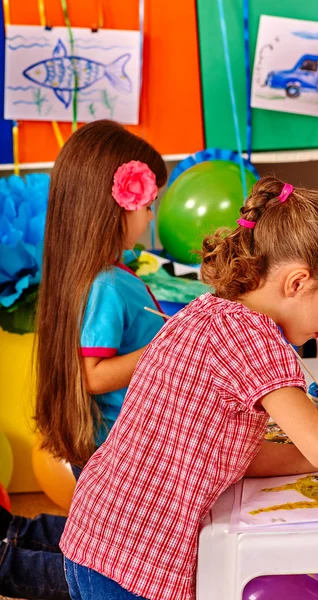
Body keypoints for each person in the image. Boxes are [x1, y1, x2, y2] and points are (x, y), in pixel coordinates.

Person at [60, 176, 318, 600]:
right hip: (133, 562)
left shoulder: (211, 311)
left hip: (96, 539)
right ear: (297, 283)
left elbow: (233, 456)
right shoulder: (257, 340)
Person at [0, 120, 168, 599]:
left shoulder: (104, 277)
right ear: (116, 206)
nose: (151, 218)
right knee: (123, 568)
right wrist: (167, 344)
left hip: (119, 448)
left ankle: (13, 538)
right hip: (120, 451)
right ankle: (9, 562)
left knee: (108, 549)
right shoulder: (106, 285)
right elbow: (91, 375)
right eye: (148, 205)